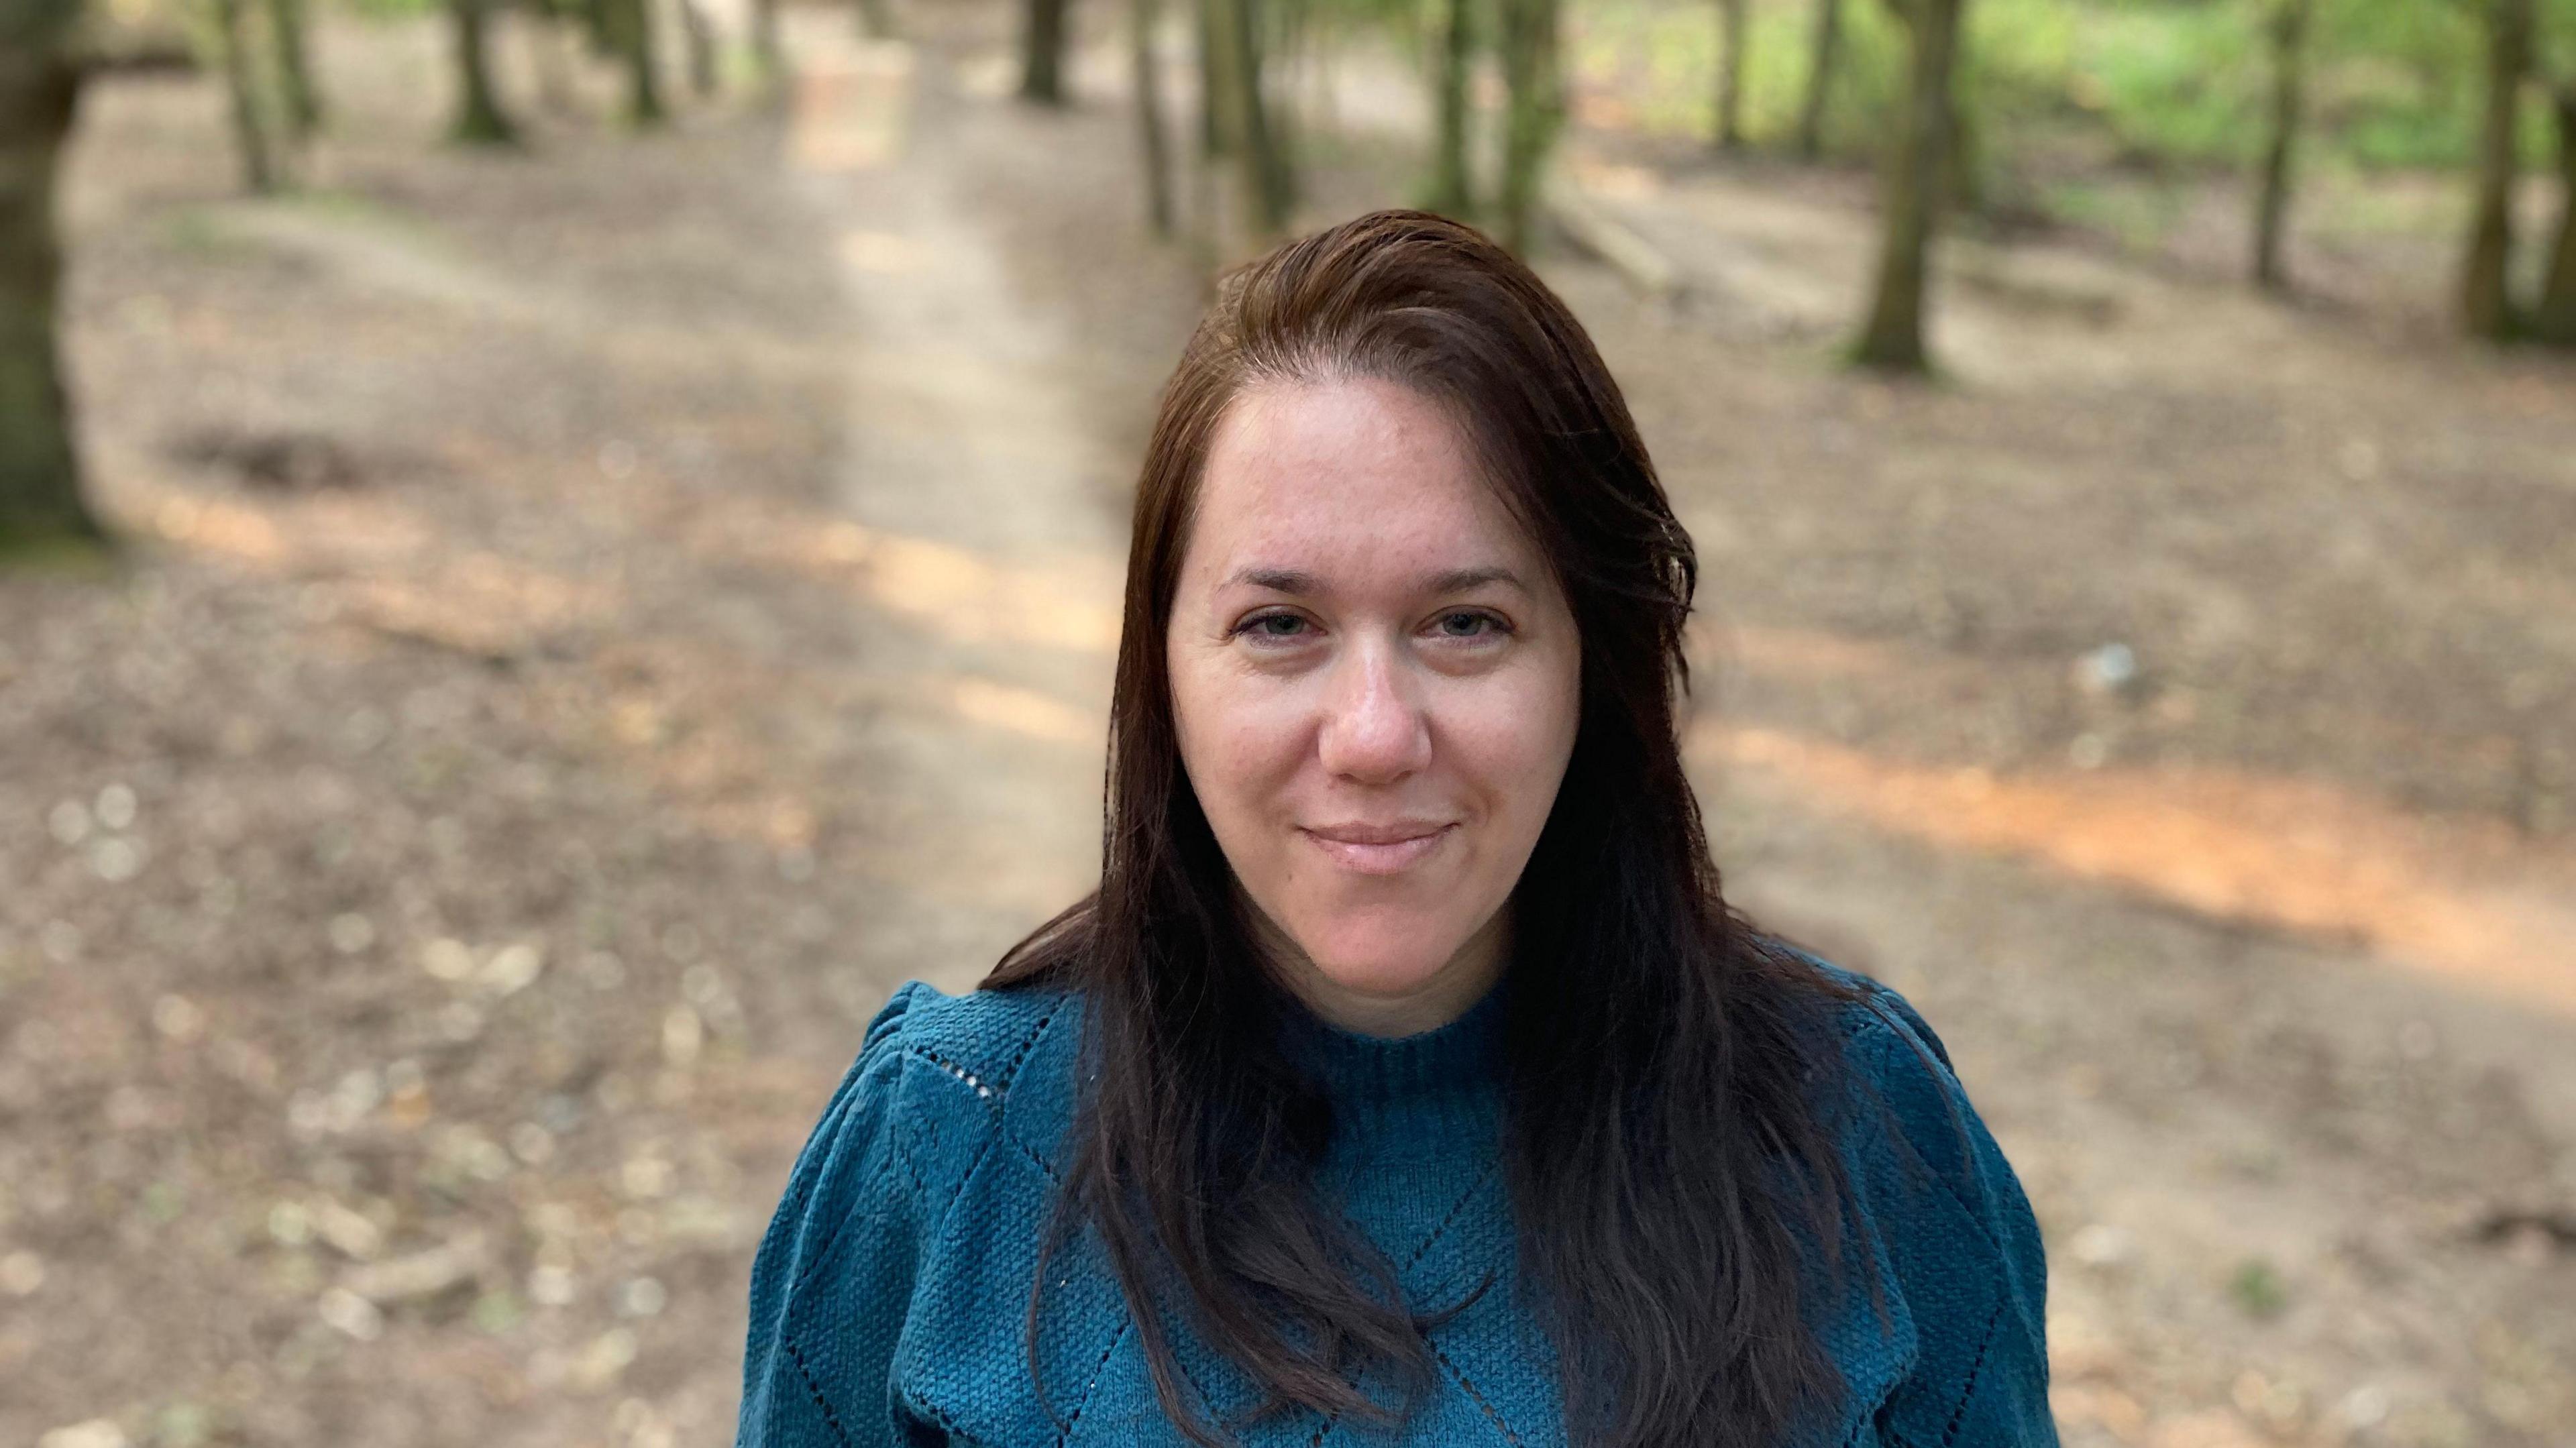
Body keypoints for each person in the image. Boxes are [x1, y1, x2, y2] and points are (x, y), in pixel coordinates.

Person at [736, 211, 2055, 1447]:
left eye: (1465, 623)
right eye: (1280, 626)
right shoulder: (943, 1145)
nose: (1374, 735)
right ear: (1163, 672)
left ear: (1597, 664)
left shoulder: (1863, 1130)